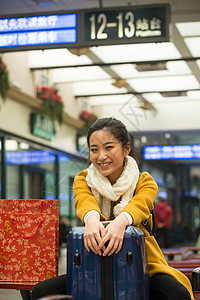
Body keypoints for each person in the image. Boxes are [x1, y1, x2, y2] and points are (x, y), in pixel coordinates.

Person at [32, 117, 194, 300]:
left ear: (126, 149)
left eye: (109, 147)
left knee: (177, 293)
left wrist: (121, 222)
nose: (101, 156)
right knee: (41, 292)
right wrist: (91, 219)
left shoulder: (144, 181)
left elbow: (140, 204)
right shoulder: (82, 179)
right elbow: (84, 200)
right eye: (94, 149)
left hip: (144, 265)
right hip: (93, 265)